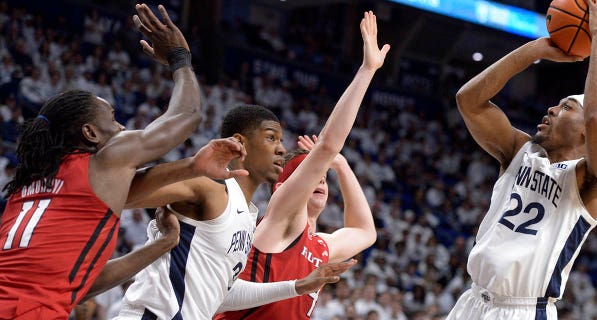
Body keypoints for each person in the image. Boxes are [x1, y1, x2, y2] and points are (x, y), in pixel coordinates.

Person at [0, 4, 213, 319]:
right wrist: (180, 58)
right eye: (113, 119)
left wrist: (162, 244)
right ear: (90, 133)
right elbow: (186, 115)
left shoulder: (26, 187)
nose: (122, 128)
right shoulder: (103, 159)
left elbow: (80, 284)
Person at [446, 0, 597, 319]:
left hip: (524, 311)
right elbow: (468, 101)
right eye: (557, 104)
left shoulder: (591, 182)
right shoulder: (520, 150)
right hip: (471, 302)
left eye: (567, 108)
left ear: (586, 134)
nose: (552, 110)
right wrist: (533, 51)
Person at [217, 11, 388, 320]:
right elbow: (326, 145)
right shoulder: (281, 218)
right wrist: (366, 70)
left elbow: (365, 232)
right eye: (311, 176)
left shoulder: (320, 245)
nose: (319, 181)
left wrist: (341, 166)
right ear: (284, 187)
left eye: (323, 178)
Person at [114, 101, 357, 319]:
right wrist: (367, 69)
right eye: (271, 138)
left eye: (281, 140)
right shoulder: (211, 185)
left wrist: (297, 286)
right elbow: (120, 194)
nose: (281, 149)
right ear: (241, 143)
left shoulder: (247, 217)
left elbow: (223, 293)